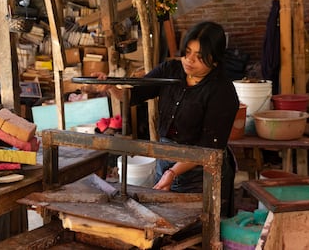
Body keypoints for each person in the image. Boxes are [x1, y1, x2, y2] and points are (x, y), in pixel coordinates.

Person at [94, 21, 239, 217]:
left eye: (199, 57)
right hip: (166, 158)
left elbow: (208, 148)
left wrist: (173, 172)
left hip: (201, 172)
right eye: (187, 52)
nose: (189, 60)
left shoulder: (222, 92)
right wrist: (110, 85)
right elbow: (134, 94)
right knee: (165, 219)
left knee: (197, 225)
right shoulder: (171, 69)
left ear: (215, 60)